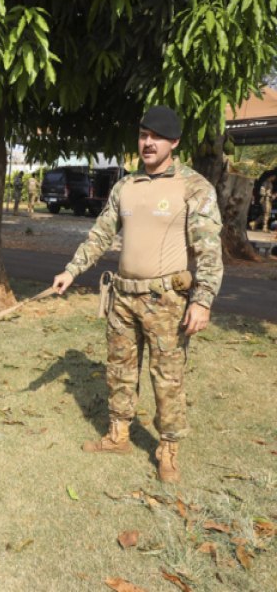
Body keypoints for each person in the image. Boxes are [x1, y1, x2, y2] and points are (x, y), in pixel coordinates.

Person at [52, 106, 223, 483]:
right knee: (119, 371)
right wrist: (71, 270)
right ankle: (118, 435)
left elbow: (209, 249)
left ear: (174, 143)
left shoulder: (193, 187)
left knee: (168, 377)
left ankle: (168, 449)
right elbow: (100, 235)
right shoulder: (125, 186)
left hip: (166, 302)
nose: (148, 143)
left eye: (157, 137)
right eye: (144, 135)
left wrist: (203, 299)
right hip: (122, 298)